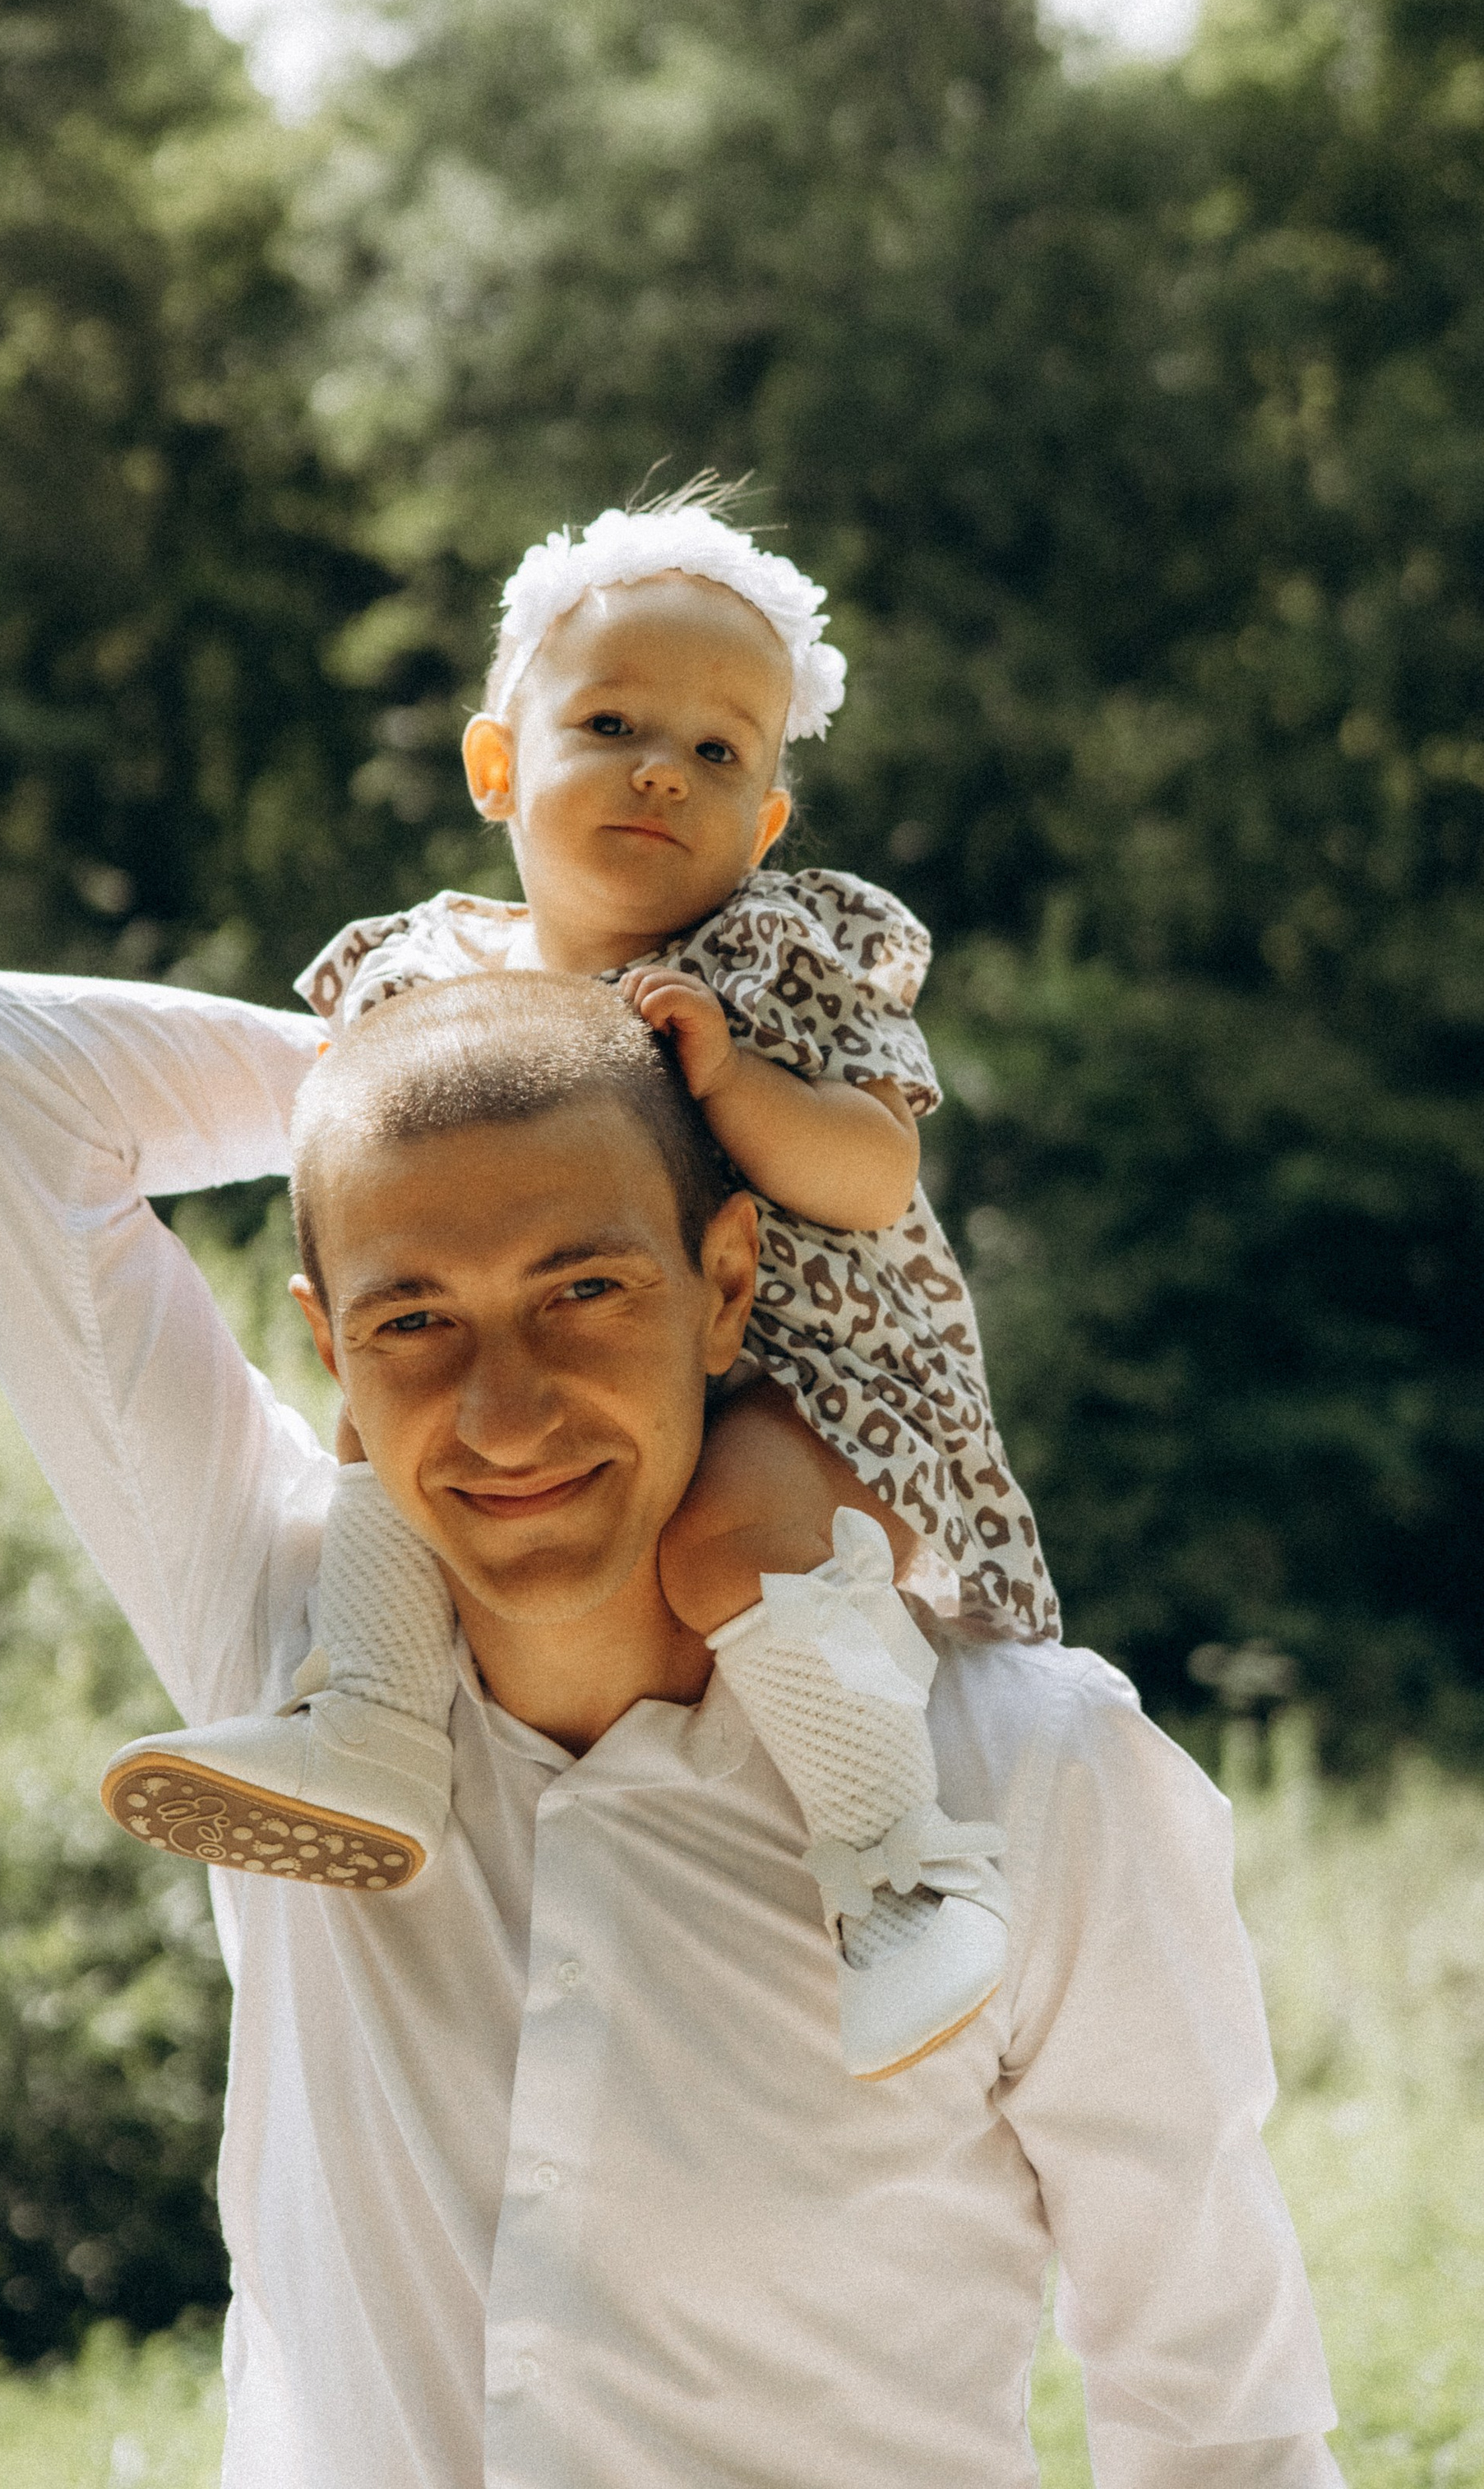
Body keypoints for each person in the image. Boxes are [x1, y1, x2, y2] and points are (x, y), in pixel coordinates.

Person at [0, 961, 1338, 2489]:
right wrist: (447, 1049)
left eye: (582, 1291)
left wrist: (624, 1070)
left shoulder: (1028, 1770)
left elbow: (1218, 2428)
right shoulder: (287, 1652)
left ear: (728, 1286)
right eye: (413, 1321)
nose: (503, 1414)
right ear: (333, 1352)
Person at [104, 484, 1049, 2079]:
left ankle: (896, 1873)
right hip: (554, 1358)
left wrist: (733, 1084)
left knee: (728, 1543)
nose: (661, 769)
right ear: (496, 765)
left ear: (759, 824)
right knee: (381, 1449)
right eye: (612, 721)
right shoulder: (423, 982)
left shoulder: (778, 961)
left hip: (798, 1375)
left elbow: (872, 1176)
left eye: (716, 752)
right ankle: (376, 1730)